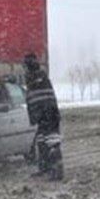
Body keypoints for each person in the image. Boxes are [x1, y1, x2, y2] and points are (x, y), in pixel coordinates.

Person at [23, 53, 63, 181]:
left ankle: (56, 170)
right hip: (48, 113)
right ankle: (45, 168)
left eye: (25, 65)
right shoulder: (41, 76)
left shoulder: (34, 77)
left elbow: (30, 91)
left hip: (46, 114)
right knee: (42, 141)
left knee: (51, 141)